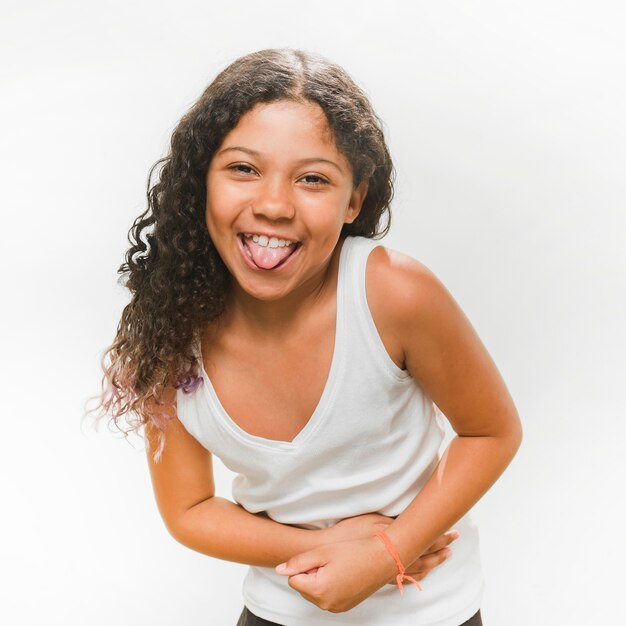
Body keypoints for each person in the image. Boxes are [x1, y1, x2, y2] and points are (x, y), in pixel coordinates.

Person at [88, 48, 522, 626]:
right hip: (276, 613)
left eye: (313, 179)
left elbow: (491, 432)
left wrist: (392, 552)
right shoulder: (171, 331)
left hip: (431, 612)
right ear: (201, 183)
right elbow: (187, 508)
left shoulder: (392, 293)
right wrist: (339, 551)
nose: (273, 204)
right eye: (243, 168)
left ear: (354, 200)